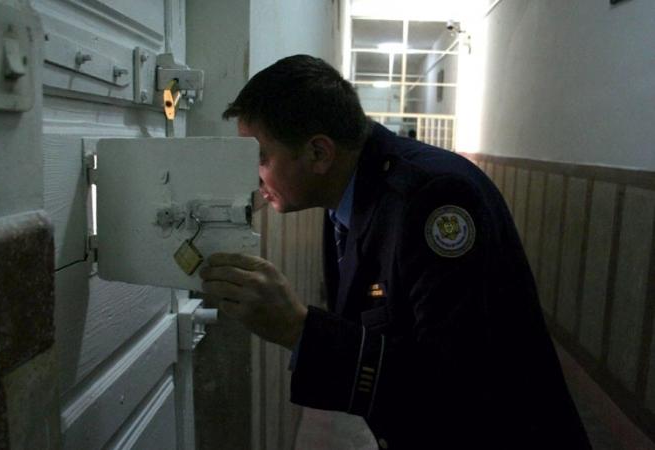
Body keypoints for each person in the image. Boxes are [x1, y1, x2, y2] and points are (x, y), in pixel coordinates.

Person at [199, 55, 591, 449]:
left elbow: (453, 387)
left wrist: (298, 328)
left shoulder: (433, 198)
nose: (252, 176)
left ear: (319, 153)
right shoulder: (347, 192)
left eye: (261, 158)